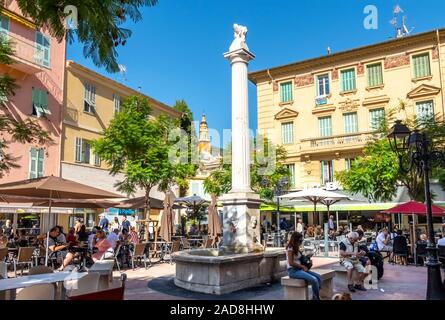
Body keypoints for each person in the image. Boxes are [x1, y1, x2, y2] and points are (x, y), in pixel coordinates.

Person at [286, 231, 322, 300]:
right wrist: (302, 266)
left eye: (302, 240)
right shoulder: (290, 248)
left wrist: (308, 262)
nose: (301, 242)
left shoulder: (297, 247)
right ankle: (316, 298)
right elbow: (290, 262)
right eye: (300, 241)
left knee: (319, 277)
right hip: (293, 271)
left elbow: (300, 259)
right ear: (295, 239)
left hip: (300, 269)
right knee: (314, 280)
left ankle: (315, 296)